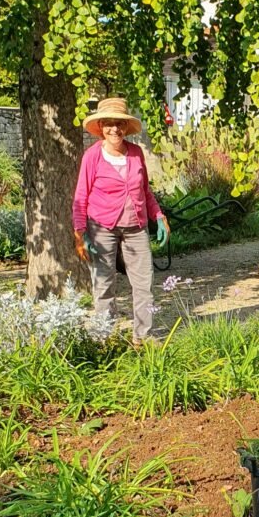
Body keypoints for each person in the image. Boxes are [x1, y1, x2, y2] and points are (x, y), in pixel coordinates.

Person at [72, 97, 169, 345]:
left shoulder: (136, 153)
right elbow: (81, 197)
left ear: (126, 126)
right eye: (109, 123)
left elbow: (145, 191)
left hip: (136, 227)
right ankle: (107, 337)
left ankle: (143, 337)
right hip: (101, 227)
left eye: (120, 123)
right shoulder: (92, 156)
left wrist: (159, 216)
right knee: (104, 283)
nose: (115, 129)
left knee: (144, 283)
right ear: (101, 126)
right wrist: (80, 234)